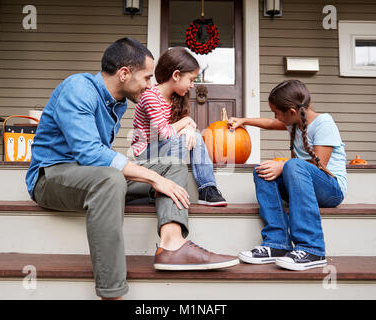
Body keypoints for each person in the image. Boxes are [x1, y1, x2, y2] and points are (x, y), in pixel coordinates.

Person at [25, 38, 239, 300]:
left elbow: (100, 160)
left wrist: (156, 175)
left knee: (170, 166)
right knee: (111, 180)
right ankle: (112, 293)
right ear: (124, 74)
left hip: (92, 174)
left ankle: (172, 244)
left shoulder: (119, 102)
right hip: (52, 177)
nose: (150, 85)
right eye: (147, 77)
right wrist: (151, 178)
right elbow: (89, 152)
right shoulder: (78, 88)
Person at [228, 80, 347, 271]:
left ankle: (312, 248)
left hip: (331, 189)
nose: (275, 117)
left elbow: (320, 165)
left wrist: (283, 166)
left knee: (292, 165)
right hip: (302, 183)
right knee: (262, 171)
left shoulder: (324, 123)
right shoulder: (294, 123)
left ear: (291, 111)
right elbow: (269, 123)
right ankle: (277, 244)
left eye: (277, 112)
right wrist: (244, 121)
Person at [131, 47, 227, 206]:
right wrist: (186, 122)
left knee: (194, 135)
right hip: (145, 153)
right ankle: (168, 187)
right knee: (189, 137)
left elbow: (173, 132)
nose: (192, 85)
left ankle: (207, 188)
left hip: (163, 148)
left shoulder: (175, 98)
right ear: (176, 75)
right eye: (191, 79)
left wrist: (188, 128)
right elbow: (163, 133)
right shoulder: (150, 97)